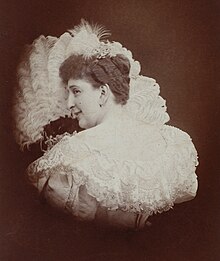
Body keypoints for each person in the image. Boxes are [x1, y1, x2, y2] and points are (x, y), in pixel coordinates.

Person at [15, 20, 198, 229]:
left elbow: (61, 224)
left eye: (76, 91)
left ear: (102, 92)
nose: (69, 104)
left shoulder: (72, 152)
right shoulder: (172, 140)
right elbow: (187, 192)